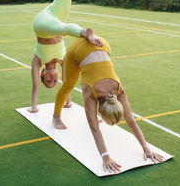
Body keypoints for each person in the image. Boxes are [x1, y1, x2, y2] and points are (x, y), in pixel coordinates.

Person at [52, 36, 164, 173]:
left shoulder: (119, 90)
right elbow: (95, 130)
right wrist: (105, 157)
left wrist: (146, 148)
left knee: (79, 83)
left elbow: (130, 121)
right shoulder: (90, 93)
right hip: (78, 48)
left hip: (103, 45)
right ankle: (56, 116)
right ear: (99, 109)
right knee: (68, 85)